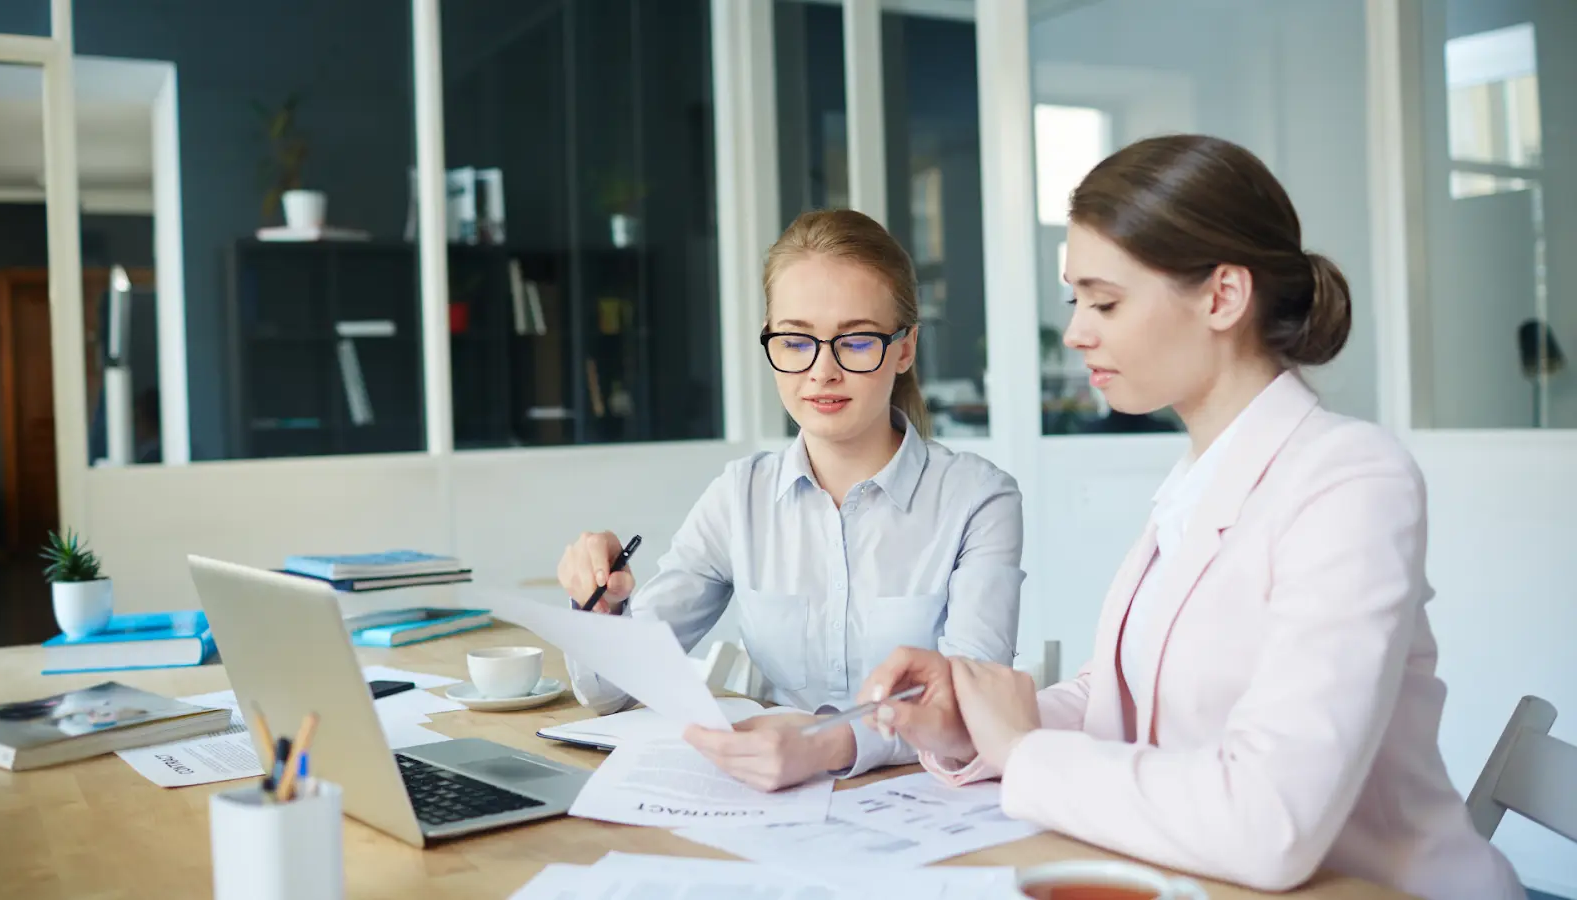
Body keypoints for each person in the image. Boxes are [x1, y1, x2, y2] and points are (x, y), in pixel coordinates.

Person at [858, 135, 1524, 900]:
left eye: (1105, 302)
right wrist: (975, 723)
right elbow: (1119, 696)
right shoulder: (1197, 482)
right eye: (1076, 302)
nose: (1076, 332)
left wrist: (1023, 749)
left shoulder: (1350, 480)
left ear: (1222, 297)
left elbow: (1269, 823)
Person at [555, 208, 1025, 791]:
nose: (821, 371)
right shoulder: (739, 497)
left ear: (905, 349)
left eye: (856, 341)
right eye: (797, 341)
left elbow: (972, 709)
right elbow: (610, 691)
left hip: (929, 806)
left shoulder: (979, 500)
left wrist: (825, 745)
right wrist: (600, 609)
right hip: (772, 800)